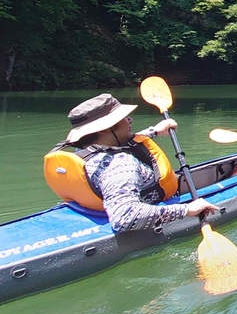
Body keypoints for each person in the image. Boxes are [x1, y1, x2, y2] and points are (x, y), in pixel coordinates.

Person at [48, 93, 218, 232]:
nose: (130, 120)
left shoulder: (85, 152)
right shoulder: (120, 164)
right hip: (137, 210)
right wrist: (187, 210)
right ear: (104, 129)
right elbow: (125, 218)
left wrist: (154, 131)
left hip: (92, 209)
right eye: (124, 118)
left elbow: (122, 144)